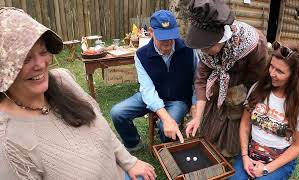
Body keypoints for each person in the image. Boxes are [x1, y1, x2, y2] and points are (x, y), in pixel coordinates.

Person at [0, 7, 156, 180]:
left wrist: (129, 162)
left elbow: (100, 125)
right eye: (26, 58)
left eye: (43, 52)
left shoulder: (62, 80)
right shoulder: (8, 145)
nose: (40, 64)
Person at [184, 0, 269, 157]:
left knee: (234, 126)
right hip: (219, 86)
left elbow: (259, 79)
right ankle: (213, 145)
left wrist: (242, 99)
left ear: (222, 37)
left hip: (244, 87)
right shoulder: (205, 50)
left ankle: (233, 148)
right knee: (211, 131)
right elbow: (201, 80)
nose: (204, 51)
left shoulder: (253, 43)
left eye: (208, 47)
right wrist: (197, 117)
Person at [111, 10, 198, 151]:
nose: (168, 42)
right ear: (151, 32)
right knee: (117, 113)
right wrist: (166, 118)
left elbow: (198, 80)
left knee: (166, 129)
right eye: (163, 37)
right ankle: (133, 143)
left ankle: (166, 145)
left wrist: (194, 105)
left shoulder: (189, 49)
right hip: (151, 95)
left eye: (171, 36)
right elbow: (147, 90)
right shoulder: (141, 55)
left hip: (178, 99)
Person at [229, 41, 299, 179]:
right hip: (251, 153)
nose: (271, 73)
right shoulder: (258, 89)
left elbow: (298, 146)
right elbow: (245, 125)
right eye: (271, 66)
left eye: (280, 71)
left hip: (279, 162)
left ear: (295, 76)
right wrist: (245, 156)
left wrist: (266, 169)